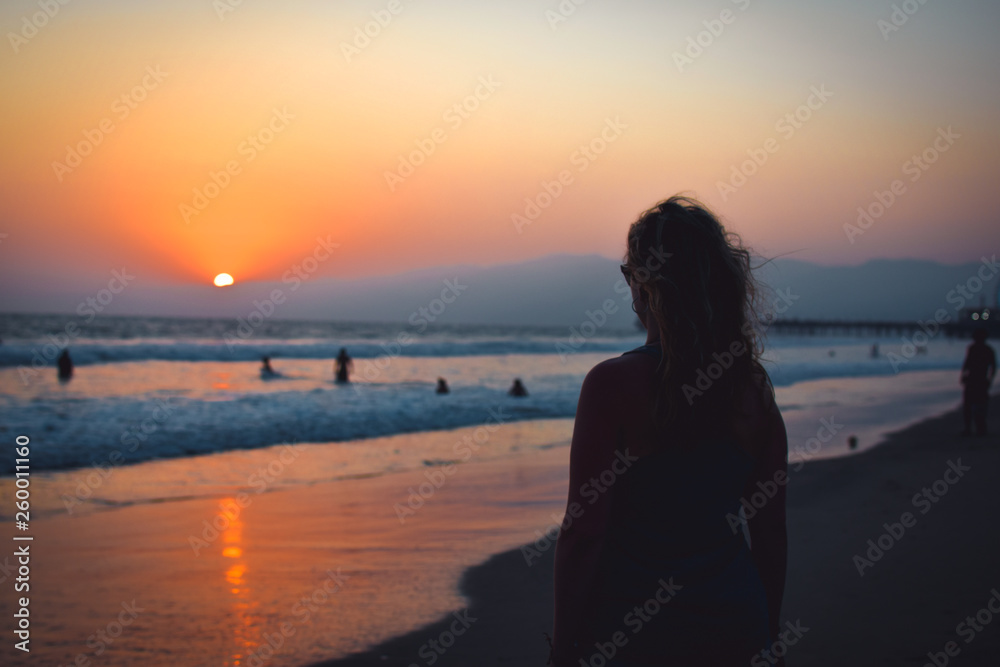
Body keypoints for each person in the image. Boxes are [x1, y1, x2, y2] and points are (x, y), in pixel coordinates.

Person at [551, 196, 788, 666]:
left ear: (648, 283)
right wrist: (770, 634)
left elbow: (584, 534)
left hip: (632, 635)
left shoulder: (612, 385)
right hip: (734, 627)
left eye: (629, 273)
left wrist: (562, 650)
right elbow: (770, 531)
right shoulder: (753, 391)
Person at [960, 327, 996, 436]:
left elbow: (967, 363)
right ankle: (978, 428)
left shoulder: (976, 348)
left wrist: (963, 375)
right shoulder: (986, 349)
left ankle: (972, 428)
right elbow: (993, 367)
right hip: (979, 379)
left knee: (971, 405)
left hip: (975, 379)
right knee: (979, 405)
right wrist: (990, 379)